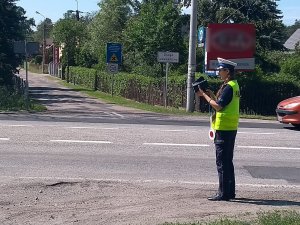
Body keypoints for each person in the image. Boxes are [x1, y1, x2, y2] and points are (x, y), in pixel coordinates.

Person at [196, 57, 240, 201]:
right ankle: (229, 192)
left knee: (222, 162)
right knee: (228, 161)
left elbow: (219, 106)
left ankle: (223, 193)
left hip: (224, 129)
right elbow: (222, 102)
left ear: (227, 71)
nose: (218, 72)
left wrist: (204, 96)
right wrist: (211, 95)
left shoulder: (229, 87)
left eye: (220, 70)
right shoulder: (234, 85)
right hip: (230, 127)